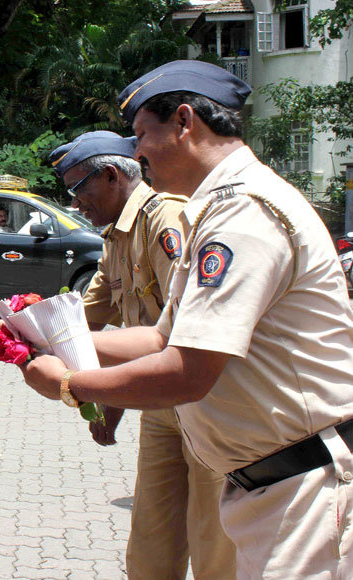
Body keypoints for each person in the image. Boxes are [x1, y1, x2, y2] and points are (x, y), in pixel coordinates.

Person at [20, 60, 353, 578]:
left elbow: (187, 371)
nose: (136, 153)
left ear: (183, 121)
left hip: (302, 486)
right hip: (270, 484)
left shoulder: (243, 213)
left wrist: (69, 384)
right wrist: (37, 336)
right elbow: (161, 338)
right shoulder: (217, 210)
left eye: (141, 135)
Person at [50, 130, 236, 579]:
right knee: (152, 537)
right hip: (159, 405)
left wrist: (97, 390)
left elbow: (180, 333)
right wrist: (14, 333)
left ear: (111, 176)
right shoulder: (116, 237)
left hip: (203, 397)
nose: (75, 204)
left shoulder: (165, 219)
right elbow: (84, 319)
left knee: (214, 541)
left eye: (78, 189)